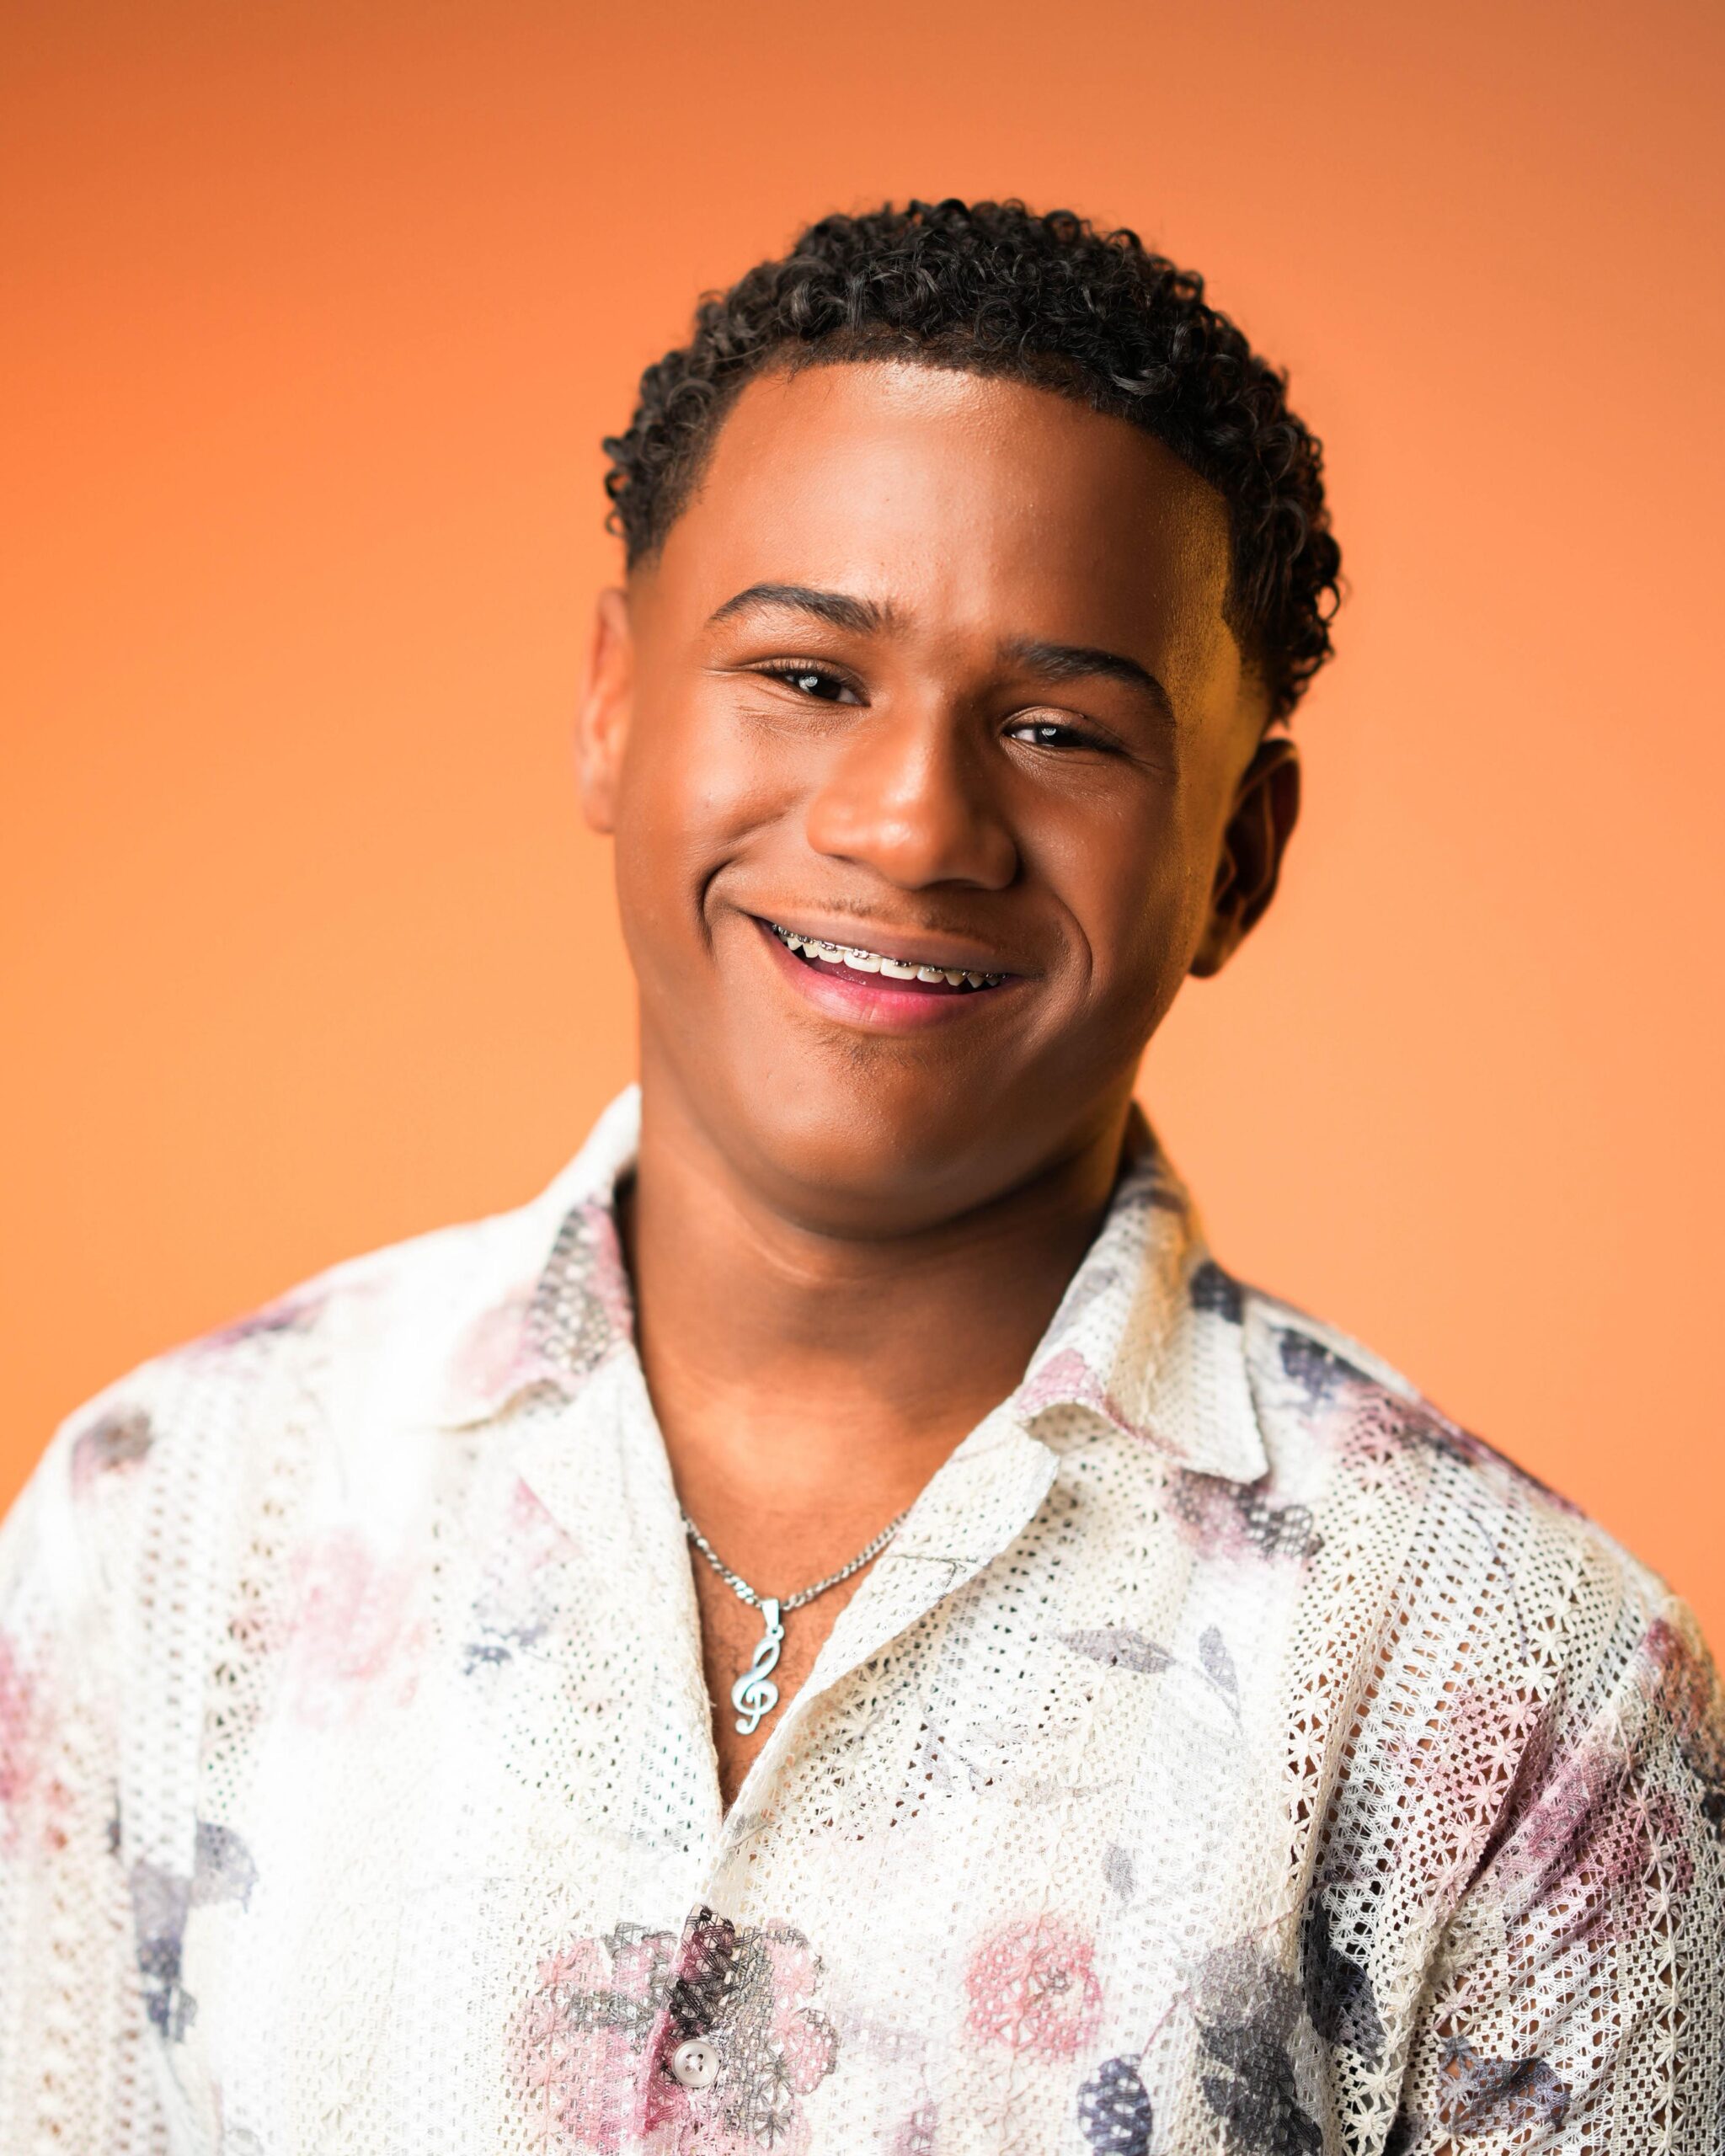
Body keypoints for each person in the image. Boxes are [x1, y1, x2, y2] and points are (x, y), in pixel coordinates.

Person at [2, 199, 1719, 2156]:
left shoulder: (1515, 1689)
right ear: (612, 701)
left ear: (1239, 855)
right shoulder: (165, 1519)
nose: (909, 823)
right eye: (810, 676)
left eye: (1059, 728)